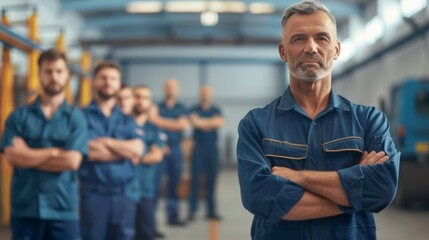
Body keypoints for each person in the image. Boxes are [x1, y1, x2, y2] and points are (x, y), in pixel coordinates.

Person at [236, 1, 400, 239]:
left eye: (322, 38)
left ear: (336, 49)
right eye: (298, 39)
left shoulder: (369, 121)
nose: (310, 47)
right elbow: (261, 198)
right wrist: (353, 194)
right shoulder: (255, 125)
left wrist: (297, 177)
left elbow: (381, 190)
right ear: (283, 52)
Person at [0, 49, 88, 240]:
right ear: (39, 73)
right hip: (26, 208)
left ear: (67, 75)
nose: (53, 77)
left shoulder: (76, 118)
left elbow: (72, 162)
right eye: (48, 71)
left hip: (63, 209)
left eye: (59, 71)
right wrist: (55, 152)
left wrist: (29, 155)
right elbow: (12, 157)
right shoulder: (18, 117)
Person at [79, 61, 144, 240]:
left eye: (113, 78)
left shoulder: (127, 119)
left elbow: (137, 149)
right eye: (104, 78)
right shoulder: (80, 116)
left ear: (119, 82)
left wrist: (106, 142)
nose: (108, 82)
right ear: (94, 81)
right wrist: (122, 149)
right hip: (93, 196)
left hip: (124, 196)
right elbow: (87, 150)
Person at [119, 85, 167, 240]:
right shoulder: (121, 125)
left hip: (145, 190)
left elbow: (157, 156)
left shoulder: (154, 129)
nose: (140, 101)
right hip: (122, 190)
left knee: (146, 233)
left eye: (145, 98)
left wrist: (131, 155)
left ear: (150, 103)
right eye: (137, 96)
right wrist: (143, 154)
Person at [150, 78, 189, 228]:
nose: (171, 89)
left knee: (174, 184)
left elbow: (182, 125)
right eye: (168, 86)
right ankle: (150, 223)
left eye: (174, 87)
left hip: (175, 149)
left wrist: (160, 120)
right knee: (155, 185)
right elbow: (152, 120)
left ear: (177, 89)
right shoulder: (157, 105)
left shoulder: (181, 107)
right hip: (159, 149)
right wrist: (173, 123)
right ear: (164, 89)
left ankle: (173, 217)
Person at [188, 85, 225, 221]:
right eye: (203, 92)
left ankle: (211, 211)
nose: (205, 94)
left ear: (210, 94)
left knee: (211, 181)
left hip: (212, 149)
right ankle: (192, 211)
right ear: (200, 94)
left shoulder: (216, 109)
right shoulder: (193, 109)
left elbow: (220, 123)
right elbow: (194, 122)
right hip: (198, 148)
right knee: (195, 180)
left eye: (207, 92)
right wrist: (210, 123)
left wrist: (202, 122)